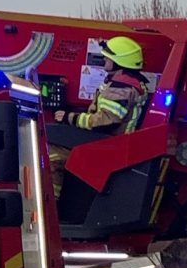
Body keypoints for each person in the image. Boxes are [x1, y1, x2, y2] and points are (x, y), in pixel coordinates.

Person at [49, 36, 151, 197]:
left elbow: (105, 122)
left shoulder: (121, 88)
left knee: (52, 157)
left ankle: (50, 208)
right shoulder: (124, 84)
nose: (104, 59)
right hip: (109, 143)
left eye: (108, 57)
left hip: (109, 145)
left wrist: (70, 118)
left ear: (119, 61)